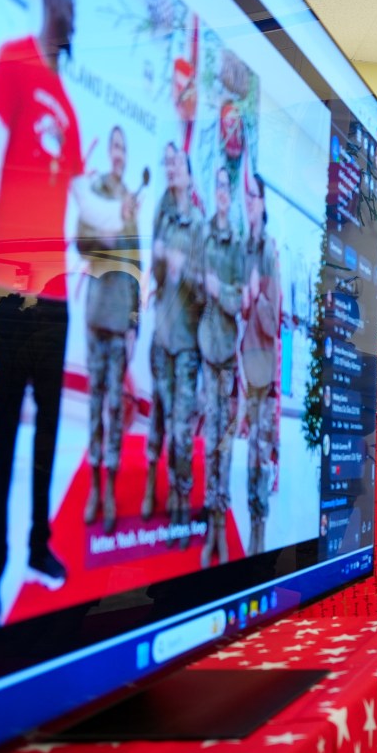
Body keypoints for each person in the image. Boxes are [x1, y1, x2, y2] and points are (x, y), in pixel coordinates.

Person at [0, 0, 83, 627]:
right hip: (13, 282)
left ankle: (39, 544)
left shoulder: (68, 105)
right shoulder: (13, 63)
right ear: (48, 0)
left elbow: (75, 202)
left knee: (45, 435)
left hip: (58, 290)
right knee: (5, 429)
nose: (68, 12)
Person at [75, 125, 141, 533]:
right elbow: (80, 244)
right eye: (113, 145)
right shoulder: (97, 193)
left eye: (122, 147)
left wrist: (135, 323)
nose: (117, 152)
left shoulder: (131, 202)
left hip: (120, 322)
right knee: (95, 405)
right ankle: (95, 487)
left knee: (115, 408)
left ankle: (110, 491)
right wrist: (104, 234)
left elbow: (137, 266)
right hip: (95, 313)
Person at [143, 143, 205, 537]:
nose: (170, 168)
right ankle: (151, 489)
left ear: (188, 171)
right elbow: (154, 276)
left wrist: (185, 270)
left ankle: (181, 497)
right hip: (161, 338)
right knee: (158, 419)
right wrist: (160, 262)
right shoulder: (161, 217)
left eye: (175, 162)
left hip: (187, 343)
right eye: (165, 162)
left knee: (182, 428)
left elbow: (205, 293)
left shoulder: (199, 224)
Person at [198, 166, 245, 568]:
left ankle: (219, 507)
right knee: (205, 427)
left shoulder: (238, 244)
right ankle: (206, 502)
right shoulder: (203, 236)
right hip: (199, 347)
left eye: (227, 187)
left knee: (223, 437)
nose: (223, 194)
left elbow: (240, 300)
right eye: (218, 187)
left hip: (227, 355)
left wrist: (221, 290)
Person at [239, 173, 281, 556]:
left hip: (260, 377)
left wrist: (256, 297)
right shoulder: (240, 250)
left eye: (254, 197)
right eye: (245, 196)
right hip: (233, 372)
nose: (248, 202)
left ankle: (259, 553)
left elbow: (273, 323)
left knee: (257, 465)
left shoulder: (269, 253)